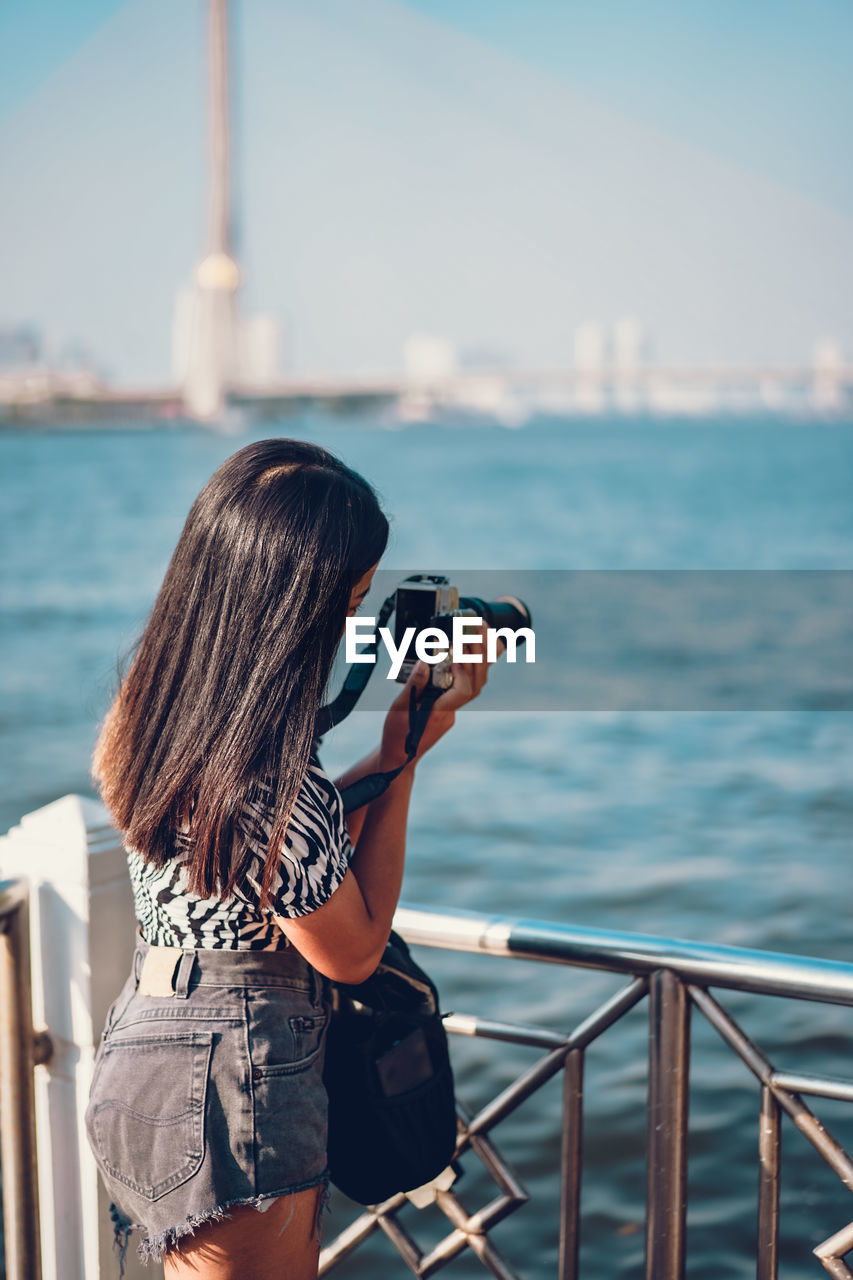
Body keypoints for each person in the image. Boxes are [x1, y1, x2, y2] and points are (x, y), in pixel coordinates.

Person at [85, 438, 497, 1279]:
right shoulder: (262, 774)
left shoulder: (151, 712)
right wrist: (410, 755)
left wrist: (392, 745)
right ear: (293, 606)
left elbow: (272, 862)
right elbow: (350, 949)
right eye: (348, 601)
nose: (352, 623)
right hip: (230, 1083)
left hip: (147, 1054)